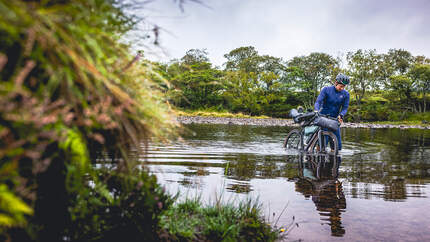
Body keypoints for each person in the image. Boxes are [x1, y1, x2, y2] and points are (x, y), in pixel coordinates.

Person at [314, 73, 350, 150]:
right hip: (323, 118)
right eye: (341, 86)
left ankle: (334, 159)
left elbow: (345, 107)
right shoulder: (326, 90)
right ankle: (317, 155)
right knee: (323, 144)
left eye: (344, 87)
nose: (342, 88)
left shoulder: (346, 94)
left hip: (334, 120)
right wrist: (316, 110)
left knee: (338, 146)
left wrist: (341, 115)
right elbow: (318, 101)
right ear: (336, 83)